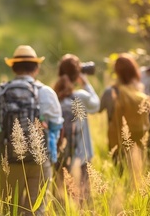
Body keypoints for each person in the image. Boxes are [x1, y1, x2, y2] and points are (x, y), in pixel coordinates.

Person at [0, 45, 63, 216]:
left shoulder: (0, 91)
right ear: (36, 68)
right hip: (40, 160)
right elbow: (56, 125)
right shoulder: (46, 92)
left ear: (13, 67)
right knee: (36, 210)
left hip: (10, 158)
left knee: (9, 210)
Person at [53, 54, 99, 201]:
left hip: (59, 159)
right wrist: (85, 82)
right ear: (77, 74)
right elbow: (96, 105)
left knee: (60, 202)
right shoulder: (80, 96)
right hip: (81, 159)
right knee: (83, 202)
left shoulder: (53, 96)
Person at [99, 53, 150, 175]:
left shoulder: (111, 91)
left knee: (120, 178)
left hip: (117, 143)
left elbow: (99, 108)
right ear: (134, 70)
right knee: (139, 177)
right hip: (140, 142)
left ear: (116, 72)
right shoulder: (142, 91)